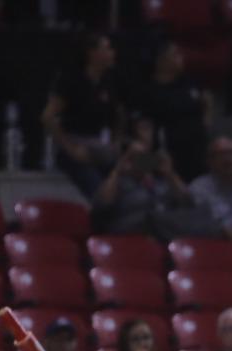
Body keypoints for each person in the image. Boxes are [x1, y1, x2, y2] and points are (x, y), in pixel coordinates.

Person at [91, 118, 210, 240]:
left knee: (199, 218)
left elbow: (188, 203)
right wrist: (117, 170)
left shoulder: (161, 183)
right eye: (135, 157)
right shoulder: (119, 183)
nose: (141, 161)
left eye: (145, 157)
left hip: (163, 235)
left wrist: (170, 174)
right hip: (129, 235)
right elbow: (101, 205)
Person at [42, 31, 121, 195]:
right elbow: (47, 117)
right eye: (107, 49)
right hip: (74, 147)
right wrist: (71, 149)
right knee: (101, 190)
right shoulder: (71, 79)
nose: (112, 53)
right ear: (92, 53)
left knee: (141, 166)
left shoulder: (109, 81)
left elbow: (120, 115)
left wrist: (117, 142)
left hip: (100, 146)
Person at [132, 40, 213, 181]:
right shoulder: (148, 92)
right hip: (168, 159)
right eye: (175, 54)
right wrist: (147, 164)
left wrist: (206, 119)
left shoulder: (188, 82)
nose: (181, 57)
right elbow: (143, 131)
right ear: (161, 61)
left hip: (198, 155)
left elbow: (206, 100)